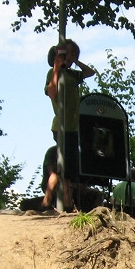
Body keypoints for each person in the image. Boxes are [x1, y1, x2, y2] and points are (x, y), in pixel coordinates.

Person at [45, 39, 96, 196]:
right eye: (70, 52)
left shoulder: (73, 74)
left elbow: (90, 72)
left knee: (68, 166)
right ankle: (64, 202)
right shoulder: (54, 73)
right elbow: (52, 93)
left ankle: (51, 201)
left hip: (73, 126)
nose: (72, 55)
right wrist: (56, 67)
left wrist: (76, 61)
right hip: (61, 125)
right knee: (65, 166)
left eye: (75, 53)